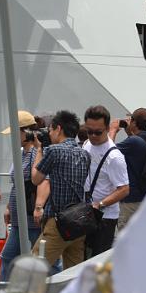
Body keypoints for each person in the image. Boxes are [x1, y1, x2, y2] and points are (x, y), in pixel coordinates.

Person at [29, 110, 90, 271]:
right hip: (79, 222)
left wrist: (40, 149)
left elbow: (36, 178)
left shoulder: (53, 151)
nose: (49, 133)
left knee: (32, 269)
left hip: (58, 223)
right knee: (72, 274)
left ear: (58, 129)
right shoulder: (84, 154)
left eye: (50, 130)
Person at [81, 105, 129, 258]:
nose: (93, 136)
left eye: (98, 132)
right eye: (89, 131)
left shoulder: (115, 157)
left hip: (104, 218)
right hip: (85, 213)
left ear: (107, 128)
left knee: (97, 264)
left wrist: (100, 204)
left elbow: (124, 189)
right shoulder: (87, 144)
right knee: (81, 262)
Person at [0, 109, 38, 281]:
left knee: (43, 260)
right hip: (19, 218)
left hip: (30, 218)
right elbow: (17, 184)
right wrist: (8, 207)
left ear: (25, 132)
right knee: (8, 258)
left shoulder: (35, 153)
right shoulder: (21, 153)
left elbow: (38, 181)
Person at [110, 107, 146, 230]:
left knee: (124, 238)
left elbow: (108, 153)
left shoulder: (133, 142)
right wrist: (129, 132)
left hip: (131, 201)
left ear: (134, 122)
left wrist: (113, 130)